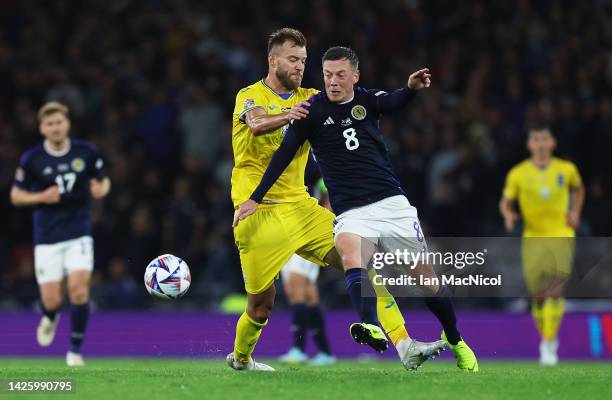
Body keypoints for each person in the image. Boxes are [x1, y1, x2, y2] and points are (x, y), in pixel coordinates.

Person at [234, 46, 478, 371]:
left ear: (354, 76)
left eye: (304, 60)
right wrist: (255, 196)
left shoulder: (321, 100)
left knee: (374, 270)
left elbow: (389, 102)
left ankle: (411, 344)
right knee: (261, 305)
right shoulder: (258, 97)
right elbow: (258, 126)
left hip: (314, 208)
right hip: (263, 213)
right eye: (294, 59)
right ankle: (241, 359)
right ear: (272, 60)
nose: (301, 66)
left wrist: (411, 90)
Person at [10, 101, 111, 366]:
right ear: (42, 128)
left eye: (59, 122)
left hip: (78, 231)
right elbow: (16, 195)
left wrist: (102, 189)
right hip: (47, 236)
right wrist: (41, 196)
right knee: (52, 299)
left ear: (67, 124)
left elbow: (103, 180)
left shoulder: (85, 152)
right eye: (49, 123)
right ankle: (50, 316)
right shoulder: (32, 159)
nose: (55, 127)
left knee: (78, 290)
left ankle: (75, 351)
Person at [500, 127, 584, 366]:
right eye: (536, 139)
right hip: (533, 237)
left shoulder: (566, 170)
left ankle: (549, 342)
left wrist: (575, 212)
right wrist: (508, 215)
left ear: (553, 143)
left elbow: (579, 188)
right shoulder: (518, 173)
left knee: (555, 290)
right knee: (537, 296)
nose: (540, 143)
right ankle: (546, 338)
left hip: (561, 234)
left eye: (544, 139)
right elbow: (506, 202)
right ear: (529, 144)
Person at [279, 179, 335, 366]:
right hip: (295, 233)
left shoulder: (317, 175)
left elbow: (330, 201)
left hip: (305, 234)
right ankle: (325, 352)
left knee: (296, 290)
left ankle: (299, 349)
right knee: (309, 295)